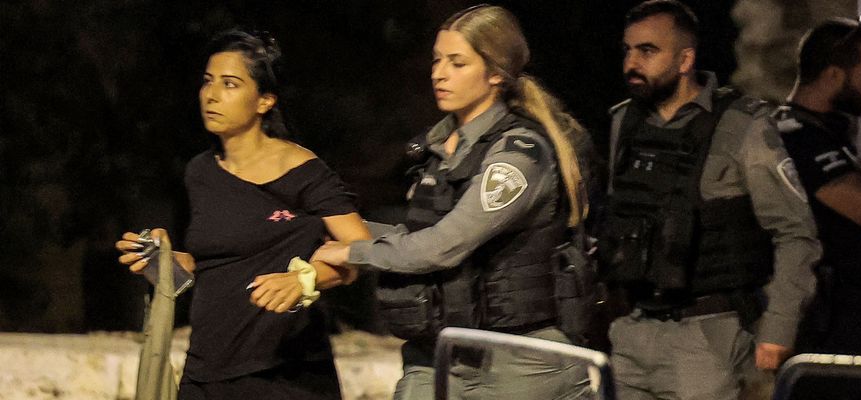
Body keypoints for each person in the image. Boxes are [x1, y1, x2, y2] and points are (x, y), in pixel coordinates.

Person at [310, 5, 593, 400]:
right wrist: (320, 227)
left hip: (520, 363)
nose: (438, 73)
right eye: (437, 60)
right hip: (440, 352)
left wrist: (353, 251)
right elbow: (413, 236)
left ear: (495, 73)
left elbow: (446, 244)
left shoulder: (519, 154)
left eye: (457, 63)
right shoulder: (437, 148)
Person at [113, 29, 372, 399]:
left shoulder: (301, 169)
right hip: (205, 371)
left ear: (264, 100)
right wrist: (163, 261)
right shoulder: (200, 172)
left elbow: (362, 248)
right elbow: (218, 267)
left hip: (284, 375)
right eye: (207, 82)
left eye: (230, 84)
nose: (212, 95)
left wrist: (304, 280)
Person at [597, 1, 822, 398]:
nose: (631, 62)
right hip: (632, 332)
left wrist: (778, 326)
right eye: (627, 50)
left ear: (685, 60)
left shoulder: (743, 126)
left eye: (647, 51)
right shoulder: (623, 121)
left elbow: (795, 232)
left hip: (708, 334)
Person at [773, 17, 861, 400]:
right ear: (835, 75)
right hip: (828, 331)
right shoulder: (796, 136)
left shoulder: (827, 132)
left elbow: (840, 222)